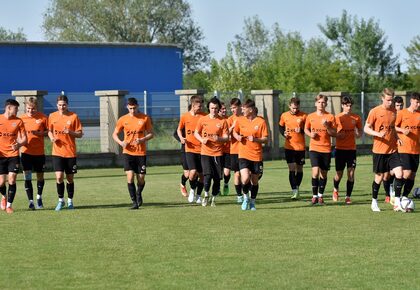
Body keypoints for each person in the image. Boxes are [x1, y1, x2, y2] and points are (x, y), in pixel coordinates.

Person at [363, 88, 404, 212]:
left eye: (391, 100)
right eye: (388, 100)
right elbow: (366, 128)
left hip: (393, 150)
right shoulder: (374, 111)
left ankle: (397, 203)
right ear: (382, 98)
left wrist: (397, 138)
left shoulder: (394, 111)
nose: (390, 103)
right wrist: (377, 134)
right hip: (379, 151)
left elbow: (392, 128)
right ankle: (374, 202)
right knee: (379, 178)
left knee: (400, 173)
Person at [112, 97, 153, 210]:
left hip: (141, 152)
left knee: (141, 178)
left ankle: (139, 192)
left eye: (134, 108)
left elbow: (151, 134)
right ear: (127, 107)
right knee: (130, 177)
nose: (133, 110)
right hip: (128, 152)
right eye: (130, 108)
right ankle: (134, 202)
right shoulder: (123, 119)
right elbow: (114, 134)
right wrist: (121, 143)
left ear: (138, 106)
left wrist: (142, 139)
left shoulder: (145, 118)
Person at [48, 95, 83, 211]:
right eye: (59, 105)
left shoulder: (74, 117)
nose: (61, 107)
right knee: (59, 177)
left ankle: (70, 201)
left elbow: (80, 134)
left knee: (70, 178)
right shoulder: (52, 116)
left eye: (64, 105)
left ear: (67, 105)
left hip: (70, 152)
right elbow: (49, 131)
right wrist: (52, 138)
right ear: (57, 105)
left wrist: (70, 132)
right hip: (57, 152)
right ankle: (60, 200)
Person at [233, 99, 268, 211]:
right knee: (245, 178)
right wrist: (237, 136)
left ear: (251, 109)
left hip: (256, 156)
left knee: (254, 181)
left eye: (244, 108)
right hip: (243, 154)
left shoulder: (260, 122)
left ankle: (252, 202)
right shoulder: (240, 120)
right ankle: (245, 198)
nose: (242, 110)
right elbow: (234, 132)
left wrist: (256, 139)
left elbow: (266, 139)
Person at [194, 97, 229, 207]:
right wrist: (202, 140)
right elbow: (196, 133)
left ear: (218, 109)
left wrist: (219, 139)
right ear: (209, 108)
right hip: (205, 152)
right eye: (212, 108)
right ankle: (206, 195)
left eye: (216, 108)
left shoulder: (222, 121)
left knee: (217, 178)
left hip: (218, 154)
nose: (214, 110)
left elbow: (227, 137)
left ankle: (213, 198)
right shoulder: (202, 120)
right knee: (207, 175)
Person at [304, 94, 337, 205]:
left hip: (326, 149)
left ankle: (320, 196)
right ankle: (314, 196)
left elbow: (334, 133)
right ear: (315, 103)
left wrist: (327, 126)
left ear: (326, 104)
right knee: (315, 171)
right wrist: (310, 134)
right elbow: (306, 129)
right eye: (319, 102)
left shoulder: (330, 117)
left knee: (323, 173)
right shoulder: (310, 116)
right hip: (314, 148)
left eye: (323, 102)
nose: (321, 104)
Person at [19, 97, 49, 210]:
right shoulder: (20, 119)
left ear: (37, 107)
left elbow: (48, 132)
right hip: (26, 152)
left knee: (40, 177)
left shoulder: (43, 118)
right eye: (28, 108)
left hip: (39, 153)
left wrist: (40, 133)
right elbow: (16, 133)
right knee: (27, 177)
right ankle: (30, 201)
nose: (31, 111)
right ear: (25, 107)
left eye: (33, 109)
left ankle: (39, 198)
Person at [332, 96, 362, 204]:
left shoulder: (356, 118)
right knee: (339, 174)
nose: (348, 108)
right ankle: (335, 189)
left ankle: (348, 196)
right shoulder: (337, 117)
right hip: (340, 149)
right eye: (346, 105)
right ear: (342, 106)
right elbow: (332, 131)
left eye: (350, 105)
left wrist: (357, 133)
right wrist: (338, 134)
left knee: (351, 173)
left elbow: (359, 134)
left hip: (351, 150)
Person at [177, 95, 206, 204]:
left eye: (201, 106)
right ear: (193, 106)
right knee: (192, 172)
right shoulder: (185, 117)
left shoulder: (204, 116)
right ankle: (192, 191)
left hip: (203, 150)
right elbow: (179, 129)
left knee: (202, 175)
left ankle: (198, 195)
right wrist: (181, 138)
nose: (201, 108)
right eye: (199, 106)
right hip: (190, 149)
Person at [0, 99, 27, 213]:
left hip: (13, 154)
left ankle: (9, 206)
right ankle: (4, 197)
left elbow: (25, 139)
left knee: (12, 179)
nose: (17, 111)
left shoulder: (19, 121)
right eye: (16, 108)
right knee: (1, 182)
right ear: (9, 108)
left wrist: (19, 144)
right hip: (1, 155)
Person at [279, 97, 307, 199]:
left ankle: (297, 187)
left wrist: (302, 130)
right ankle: (294, 190)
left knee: (299, 169)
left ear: (299, 106)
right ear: (289, 106)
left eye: (297, 108)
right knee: (291, 168)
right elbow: (280, 127)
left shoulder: (304, 116)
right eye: (293, 108)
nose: (295, 110)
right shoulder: (284, 115)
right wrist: (284, 133)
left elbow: (308, 129)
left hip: (300, 147)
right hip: (289, 147)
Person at [395, 92, 420, 201]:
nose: (418, 104)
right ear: (411, 101)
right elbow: (394, 127)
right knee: (406, 172)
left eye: (419, 103)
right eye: (417, 102)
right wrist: (402, 130)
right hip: (404, 148)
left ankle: (405, 196)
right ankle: (396, 197)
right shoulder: (402, 113)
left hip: (416, 149)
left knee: (412, 175)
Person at [384, 96, 405, 204]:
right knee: (387, 173)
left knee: (401, 171)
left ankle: (396, 194)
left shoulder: (405, 114)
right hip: (389, 148)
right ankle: (388, 193)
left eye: (401, 105)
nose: (399, 107)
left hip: (402, 148)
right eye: (397, 105)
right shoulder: (392, 115)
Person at [227, 98, 243, 203]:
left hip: (246, 150)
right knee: (237, 174)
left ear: (240, 107)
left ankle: (247, 191)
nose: (233, 110)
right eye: (231, 108)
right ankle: (239, 195)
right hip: (234, 150)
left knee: (248, 174)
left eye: (235, 107)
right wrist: (232, 128)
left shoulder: (245, 117)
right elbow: (225, 134)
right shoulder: (229, 120)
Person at [219, 102, 231, 195]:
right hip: (217, 150)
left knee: (226, 172)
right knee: (218, 172)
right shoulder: (214, 120)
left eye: (225, 109)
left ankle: (226, 184)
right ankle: (217, 187)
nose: (224, 110)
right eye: (222, 109)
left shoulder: (229, 119)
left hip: (227, 150)